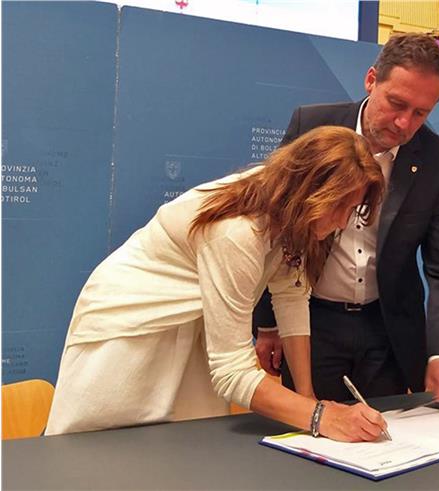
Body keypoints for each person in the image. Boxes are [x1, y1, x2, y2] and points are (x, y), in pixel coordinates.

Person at [45, 126, 388, 442]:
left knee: (184, 451)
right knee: (102, 451)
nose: (342, 222)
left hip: (192, 322)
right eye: (338, 206)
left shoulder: (290, 208)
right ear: (309, 190)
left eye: (351, 209)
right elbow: (233, 371)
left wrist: (309, 400)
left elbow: (291, 297)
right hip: (132, 322)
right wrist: (320, 417)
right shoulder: (237, 232)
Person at [254, 33, 439, 403]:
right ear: (371, 80)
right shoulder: (313, 126)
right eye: (396, 103)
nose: (403, 123)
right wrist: (267, 323)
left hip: (387, 330)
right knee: (312, 426)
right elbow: (273, 226)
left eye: (420, 113)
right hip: (310, 319)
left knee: (386, 430)